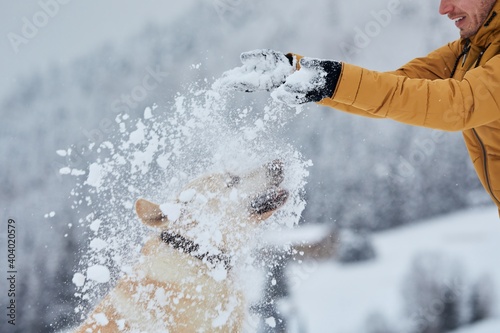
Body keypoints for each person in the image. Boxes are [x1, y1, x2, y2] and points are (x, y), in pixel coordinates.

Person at [216, 0, 500, 214]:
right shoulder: (473, 47)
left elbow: (458, 105)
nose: (444, 8)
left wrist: (333, 79)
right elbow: (392, 91)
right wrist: (300, 74)